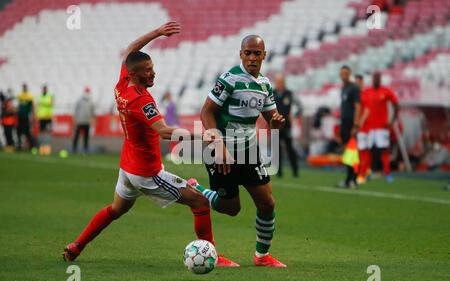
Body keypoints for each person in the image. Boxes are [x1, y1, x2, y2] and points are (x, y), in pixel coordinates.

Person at [62, 22, 236, 267]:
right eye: (147, 70)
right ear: (134, 74)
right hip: (147, 172)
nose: (152, 73)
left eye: (152, 68)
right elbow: (165, 131)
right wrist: (203, 135)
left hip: (127, 167)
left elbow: (130, 51)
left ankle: (77, 245)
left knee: (115, 210)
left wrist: (157, 33)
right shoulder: (141, 100)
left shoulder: (123, 84)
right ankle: (213, 257)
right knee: (200, 201)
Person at [190, 35, 287, 267]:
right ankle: (197, 190)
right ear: (241, 54)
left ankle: (262, 257)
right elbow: (206, 112)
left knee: (267, 203)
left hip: (249, 150)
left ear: (264, 55)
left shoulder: (264, 84)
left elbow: (270, 118)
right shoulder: (229, 79)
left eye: (257, 53)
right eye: (248, 53)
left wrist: (276, 123)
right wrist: (218, 144)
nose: (252, 58)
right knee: (231, 208)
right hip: (220, 149)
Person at [364, 72, 400, 183]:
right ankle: (367, 173)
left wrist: (392, 120)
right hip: (369, 127)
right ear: (372, 79)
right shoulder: (366, 92)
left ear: (380, 79)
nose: (376, 80)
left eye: (378, 78)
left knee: (384, 150)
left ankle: (387, 174)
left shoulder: (386, 91)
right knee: (368, 150)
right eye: (374, 78)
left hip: (382, 127)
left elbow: (396, 105)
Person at [273, 74, 302, 178]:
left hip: (287, 125)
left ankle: (295, 171)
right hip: (276, 125)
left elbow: (300, 106)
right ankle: (279, 172)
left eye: (281, 82)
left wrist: (294, 115)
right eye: (278, 82)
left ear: (284, 83)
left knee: (290, 149)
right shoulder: (272, 93)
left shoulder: (289, 94)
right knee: (276, 149)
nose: (279, 84)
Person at [338, 66, 361, 188]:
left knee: (353, 153)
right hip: (344, 123)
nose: (344, 75)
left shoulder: (354, 88)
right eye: (342, 73)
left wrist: (356, 125)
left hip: (351, 123)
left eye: (346, 73)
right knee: (348, 153)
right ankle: (349, 179)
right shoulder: (344, 88)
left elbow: (358, 106)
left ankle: (354, 179)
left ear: (349, 74)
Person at [354, 75, 371, 184]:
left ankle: (362, 174)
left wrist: (360, 123)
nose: (357, 84)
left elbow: (367, 110)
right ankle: (365, 171)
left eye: (358, 82)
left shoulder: (365, 95)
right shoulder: (356, 95)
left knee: (364, 150)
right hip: (359, 127)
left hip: (365, 127)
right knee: (360, 150)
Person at [72, 86, 96, 153]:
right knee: (77, 135)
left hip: (86, 121)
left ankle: (85, 149)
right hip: (80, 121)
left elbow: (92, 112)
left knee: (85, 136)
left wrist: (93, 119)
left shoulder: (90, 101)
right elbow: (76, 111)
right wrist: (75, 119)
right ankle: (74, 148)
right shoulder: (80, 101)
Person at [16, 84, 36, 152]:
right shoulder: (20, 95)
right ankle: (19, 146)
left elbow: (32, 107)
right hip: (20, 117)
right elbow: (18, 106)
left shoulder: (29, 96)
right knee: (19, 132)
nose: (24, 88)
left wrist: (33, 116)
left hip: (26, 117)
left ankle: (32, 146)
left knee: (27, 132)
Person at [36, 85, 54, 155]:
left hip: (48, 117)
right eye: (43, 89)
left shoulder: (50, 96)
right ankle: (42, 148)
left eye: (45, 89)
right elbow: (38, 107)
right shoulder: (40, 97)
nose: (44, 90)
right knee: (42, 132)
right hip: (41, 117)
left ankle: (47, 148)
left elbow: (52, 104)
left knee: (48, 132)